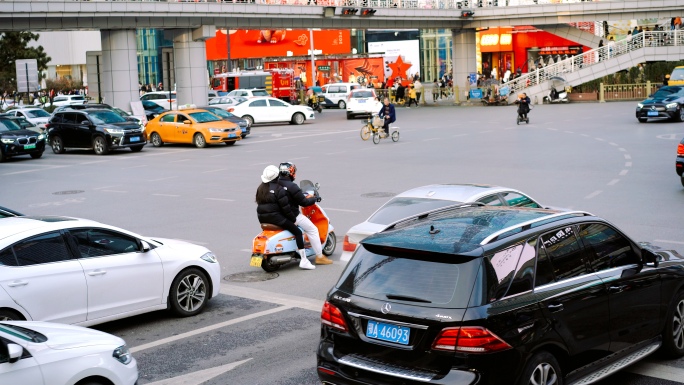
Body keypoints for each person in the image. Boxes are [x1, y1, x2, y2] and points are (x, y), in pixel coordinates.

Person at [256, 165, 314, 270]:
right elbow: (286, 208)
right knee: (298, 232)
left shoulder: (260, 188)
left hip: (262, 219)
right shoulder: (279, 189)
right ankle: (304, 260)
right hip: (276, 219)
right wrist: (293, 220)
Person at [278, 162, 332, 266]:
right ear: (291, 172)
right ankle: (320, 256)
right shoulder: (292, 186)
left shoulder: (276, 184)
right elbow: (304, 202)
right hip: (292, 215)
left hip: (278, 215)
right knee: (313, 230)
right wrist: (314, 198)